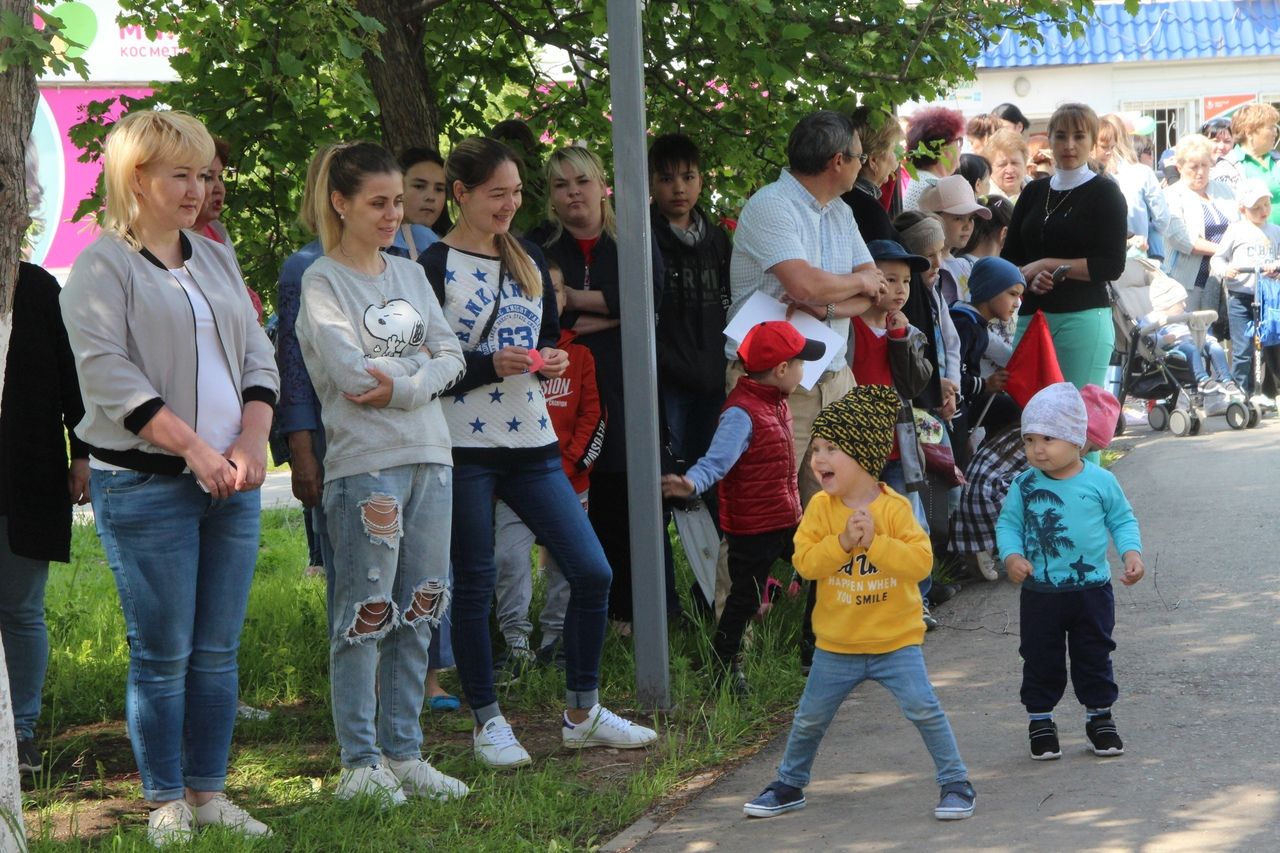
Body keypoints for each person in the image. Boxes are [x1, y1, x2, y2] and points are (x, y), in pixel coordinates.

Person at [60, 109, 278, 844]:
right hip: (148, 484)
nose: (197, 188)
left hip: (231, 481)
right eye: (180, 173)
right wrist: (193, 449)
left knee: (218, 649)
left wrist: (251, 439)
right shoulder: (102, 265)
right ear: (136, 178)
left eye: (204, 173)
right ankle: (165, 802)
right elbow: (109, 378)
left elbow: (257, 355)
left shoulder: (216, 256)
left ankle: (210, 793)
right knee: (162, 651)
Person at [421, 136, 658, 769]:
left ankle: (582, 712)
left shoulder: (526, 252)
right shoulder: (432, 264)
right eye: (497, 194)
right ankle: (487, 722)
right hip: (463, 445)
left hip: (533, 440)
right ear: (460, 194)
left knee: (592, 571)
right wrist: (485, 365)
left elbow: (545, 335)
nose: (510, 205)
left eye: (518, 192)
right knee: (474, 586)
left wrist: (551, 356)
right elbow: (425, 363)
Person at [296, 141, 468, 805]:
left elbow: (452, 353)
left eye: (399, 201)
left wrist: (406, 379)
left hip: (431, 455)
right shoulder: (322, 281)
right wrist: (421, 371)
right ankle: (359, 763)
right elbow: (346, 372)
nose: (394, 213)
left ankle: (405, 753)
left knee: (422, 604)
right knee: (366, 613)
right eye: (379, 202)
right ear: (340, 202)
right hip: (366, 465)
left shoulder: (410, 270)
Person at [742, 385, 976, 822]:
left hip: (895, 642)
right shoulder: (819, 511)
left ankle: (956, 782)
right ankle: (790, 784)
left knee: (925, 709)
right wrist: (844, 543)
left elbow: (921, 563)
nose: (819, 459)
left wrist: (878, 544)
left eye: (832, 449)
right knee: (809, 719)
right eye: (816, 449)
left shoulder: (897, 509)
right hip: (837, 646)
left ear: (865, 457)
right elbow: (806, 564)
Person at [528, 146, 675, 627]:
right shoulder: (537, 245)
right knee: (586, 501)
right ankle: (592, 618)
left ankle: (651, 616)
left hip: (627, 387)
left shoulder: (631, 237)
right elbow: (541, 314)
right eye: (561, 185)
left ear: (602, 185)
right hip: (563, 395)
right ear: (550, 196)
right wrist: (613, 314)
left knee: (634, 495)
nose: (573, 193)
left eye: (582, 182)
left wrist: (576, 299)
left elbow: (650, 301)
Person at [662, 321, 825, 694]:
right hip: (753, 528)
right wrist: (691, 483)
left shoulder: (774, 402)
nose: (804, 371)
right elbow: (717, 461)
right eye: (800, 363)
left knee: (824, 564)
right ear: (782, 369)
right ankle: (724, 669)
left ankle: (813, 649)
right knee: (743, 600)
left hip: (785, 518)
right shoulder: (742, 413)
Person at [996, 383, 1144, 760]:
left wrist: (1131, 552)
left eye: (1048, 438)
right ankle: (1041, 720)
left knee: (1094, 653)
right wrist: (1012, 556)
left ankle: (1100, 717)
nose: (1037, 449)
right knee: (1039, 656)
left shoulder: (1100, 481)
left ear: (1076, 440)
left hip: (1091, 590)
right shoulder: (1024, 485)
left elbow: (1122, 519)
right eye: (1028, 440)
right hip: (1040, 594)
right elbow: (1008, 525)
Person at [491, 259, 606, 679]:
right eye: (540, 290)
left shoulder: (579, 354)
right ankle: (516, 644)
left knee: (564, 566)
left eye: (555, 289)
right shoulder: (505, 357)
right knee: (508, 559)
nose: (550, 297)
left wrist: (572, 462)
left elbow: (594, 414)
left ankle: (554, 641)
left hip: (568, 480)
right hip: (515, 481)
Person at [0, 262, 89, 775]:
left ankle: (21, 733)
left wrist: (82, 453)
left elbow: (71, 374)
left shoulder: (34, 285)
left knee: (19, 608)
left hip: (26, 473)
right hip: (26, 474)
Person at [1001, 103, 1127, 392]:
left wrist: (1047, 265)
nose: (1069, 145)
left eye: (1079, 136)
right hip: (1033, 315)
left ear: (1093, 142)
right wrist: (1030, 276)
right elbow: (1010, 259)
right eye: (1060, 136)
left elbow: (1110, 265)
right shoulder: (1033, 191)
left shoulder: (1105, 192)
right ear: (1050, 140)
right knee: (1027, 410)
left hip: (1083, 315)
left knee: (1073, 414)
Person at [950, 384, 1119, 582]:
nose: (1085, 455)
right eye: (1088, 450)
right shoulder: (1051, 448)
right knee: (1056, 503)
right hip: (990, 497)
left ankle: (985, 545)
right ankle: (1033, 558)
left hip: (976, 494)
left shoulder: (1034, 431)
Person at [649, 133, 733, 475]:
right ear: (651, 184)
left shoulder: (717, 240)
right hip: (667, 379)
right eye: (667, 179)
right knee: (666, 473)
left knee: (710, 472)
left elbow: (730, 300)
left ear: (701, 180)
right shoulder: (646, 237)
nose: (678, 189)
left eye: (688, 177)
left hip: (714, 376)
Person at [1210, 179, 1280, 397]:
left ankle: (1270, 391)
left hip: (1267, 296)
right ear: (1243, 209)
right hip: (1241, 296)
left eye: (1266, 206)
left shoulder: (1275, 231)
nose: (1263, 212)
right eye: (1256, 208)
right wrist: (1227, 269)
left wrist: (1276, 266)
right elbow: (1217, 259)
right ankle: (1242, 392)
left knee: (1271, 343)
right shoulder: (1236, 231)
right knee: (1243, 349)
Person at [1162, 133, 1238, 321]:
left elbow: (1240, 226)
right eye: (1194, 167)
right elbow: (1183, 240)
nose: (1200, 172)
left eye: (1205, 165)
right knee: (1194, 336)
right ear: (1179, 167)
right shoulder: (1171, 195)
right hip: (1188, 280)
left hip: (1228, 278)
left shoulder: (1224, 190)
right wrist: (1224, 251)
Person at [192, 136, 265, 323]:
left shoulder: (217, 231)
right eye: (207, 177)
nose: (219, 189)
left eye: (221, 177)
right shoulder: (165, 244)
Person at [1141, 275, 1238, 397]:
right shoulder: (1152, 318)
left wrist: (1207, 338)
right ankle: (1202, 380)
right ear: (1167, 304)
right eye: (1180, 302)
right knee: (1191, 349)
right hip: (1175, 346)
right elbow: (1145, 336)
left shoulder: (1184, 315)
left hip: (1195, 340)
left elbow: (1198, 329)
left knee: (1215, 347)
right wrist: (1163, 340)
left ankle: (1226, 380)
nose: (1184, 305)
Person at [1096, 114, 1170, 260]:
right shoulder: (1141, 172)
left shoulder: (1091, 175)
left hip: (1105, 257)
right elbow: (1162, 218)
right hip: (1136, 254)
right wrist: (1146, 231)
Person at [918, 174, 992, 305]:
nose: (967, 225)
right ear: (933, 218)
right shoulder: (924, 267)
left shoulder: (965, 266)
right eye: (958, 218)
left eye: (971, 218)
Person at [842, 107, 906, 243]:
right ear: (873, 161)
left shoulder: (844, 198)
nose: (897, 160)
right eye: (894, 151)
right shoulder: (868, 210)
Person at [1221, 103, 1280, 223]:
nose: (1275, 132)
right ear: (1249, 132)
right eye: (1270, 127)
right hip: (1258, 239)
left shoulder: (1276, 160)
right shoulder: (1228, 166)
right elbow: (1229, 212)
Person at [901, 107, 965, 211]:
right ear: (943, 148)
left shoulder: (920, 179)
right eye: (959, 141)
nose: (960, 148)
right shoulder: (937, 189)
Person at [400, 147, 452, 237]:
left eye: (439, 189)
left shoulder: (458, 246)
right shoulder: (375, 245)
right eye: (419, 186)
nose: (430, 197)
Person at [985, 129, 1030, 202]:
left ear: (1024, 164)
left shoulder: (1040, 195)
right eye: (1002, 165)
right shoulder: (983, 201)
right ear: (990, 168)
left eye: (1015, 163)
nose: (1010, 170)